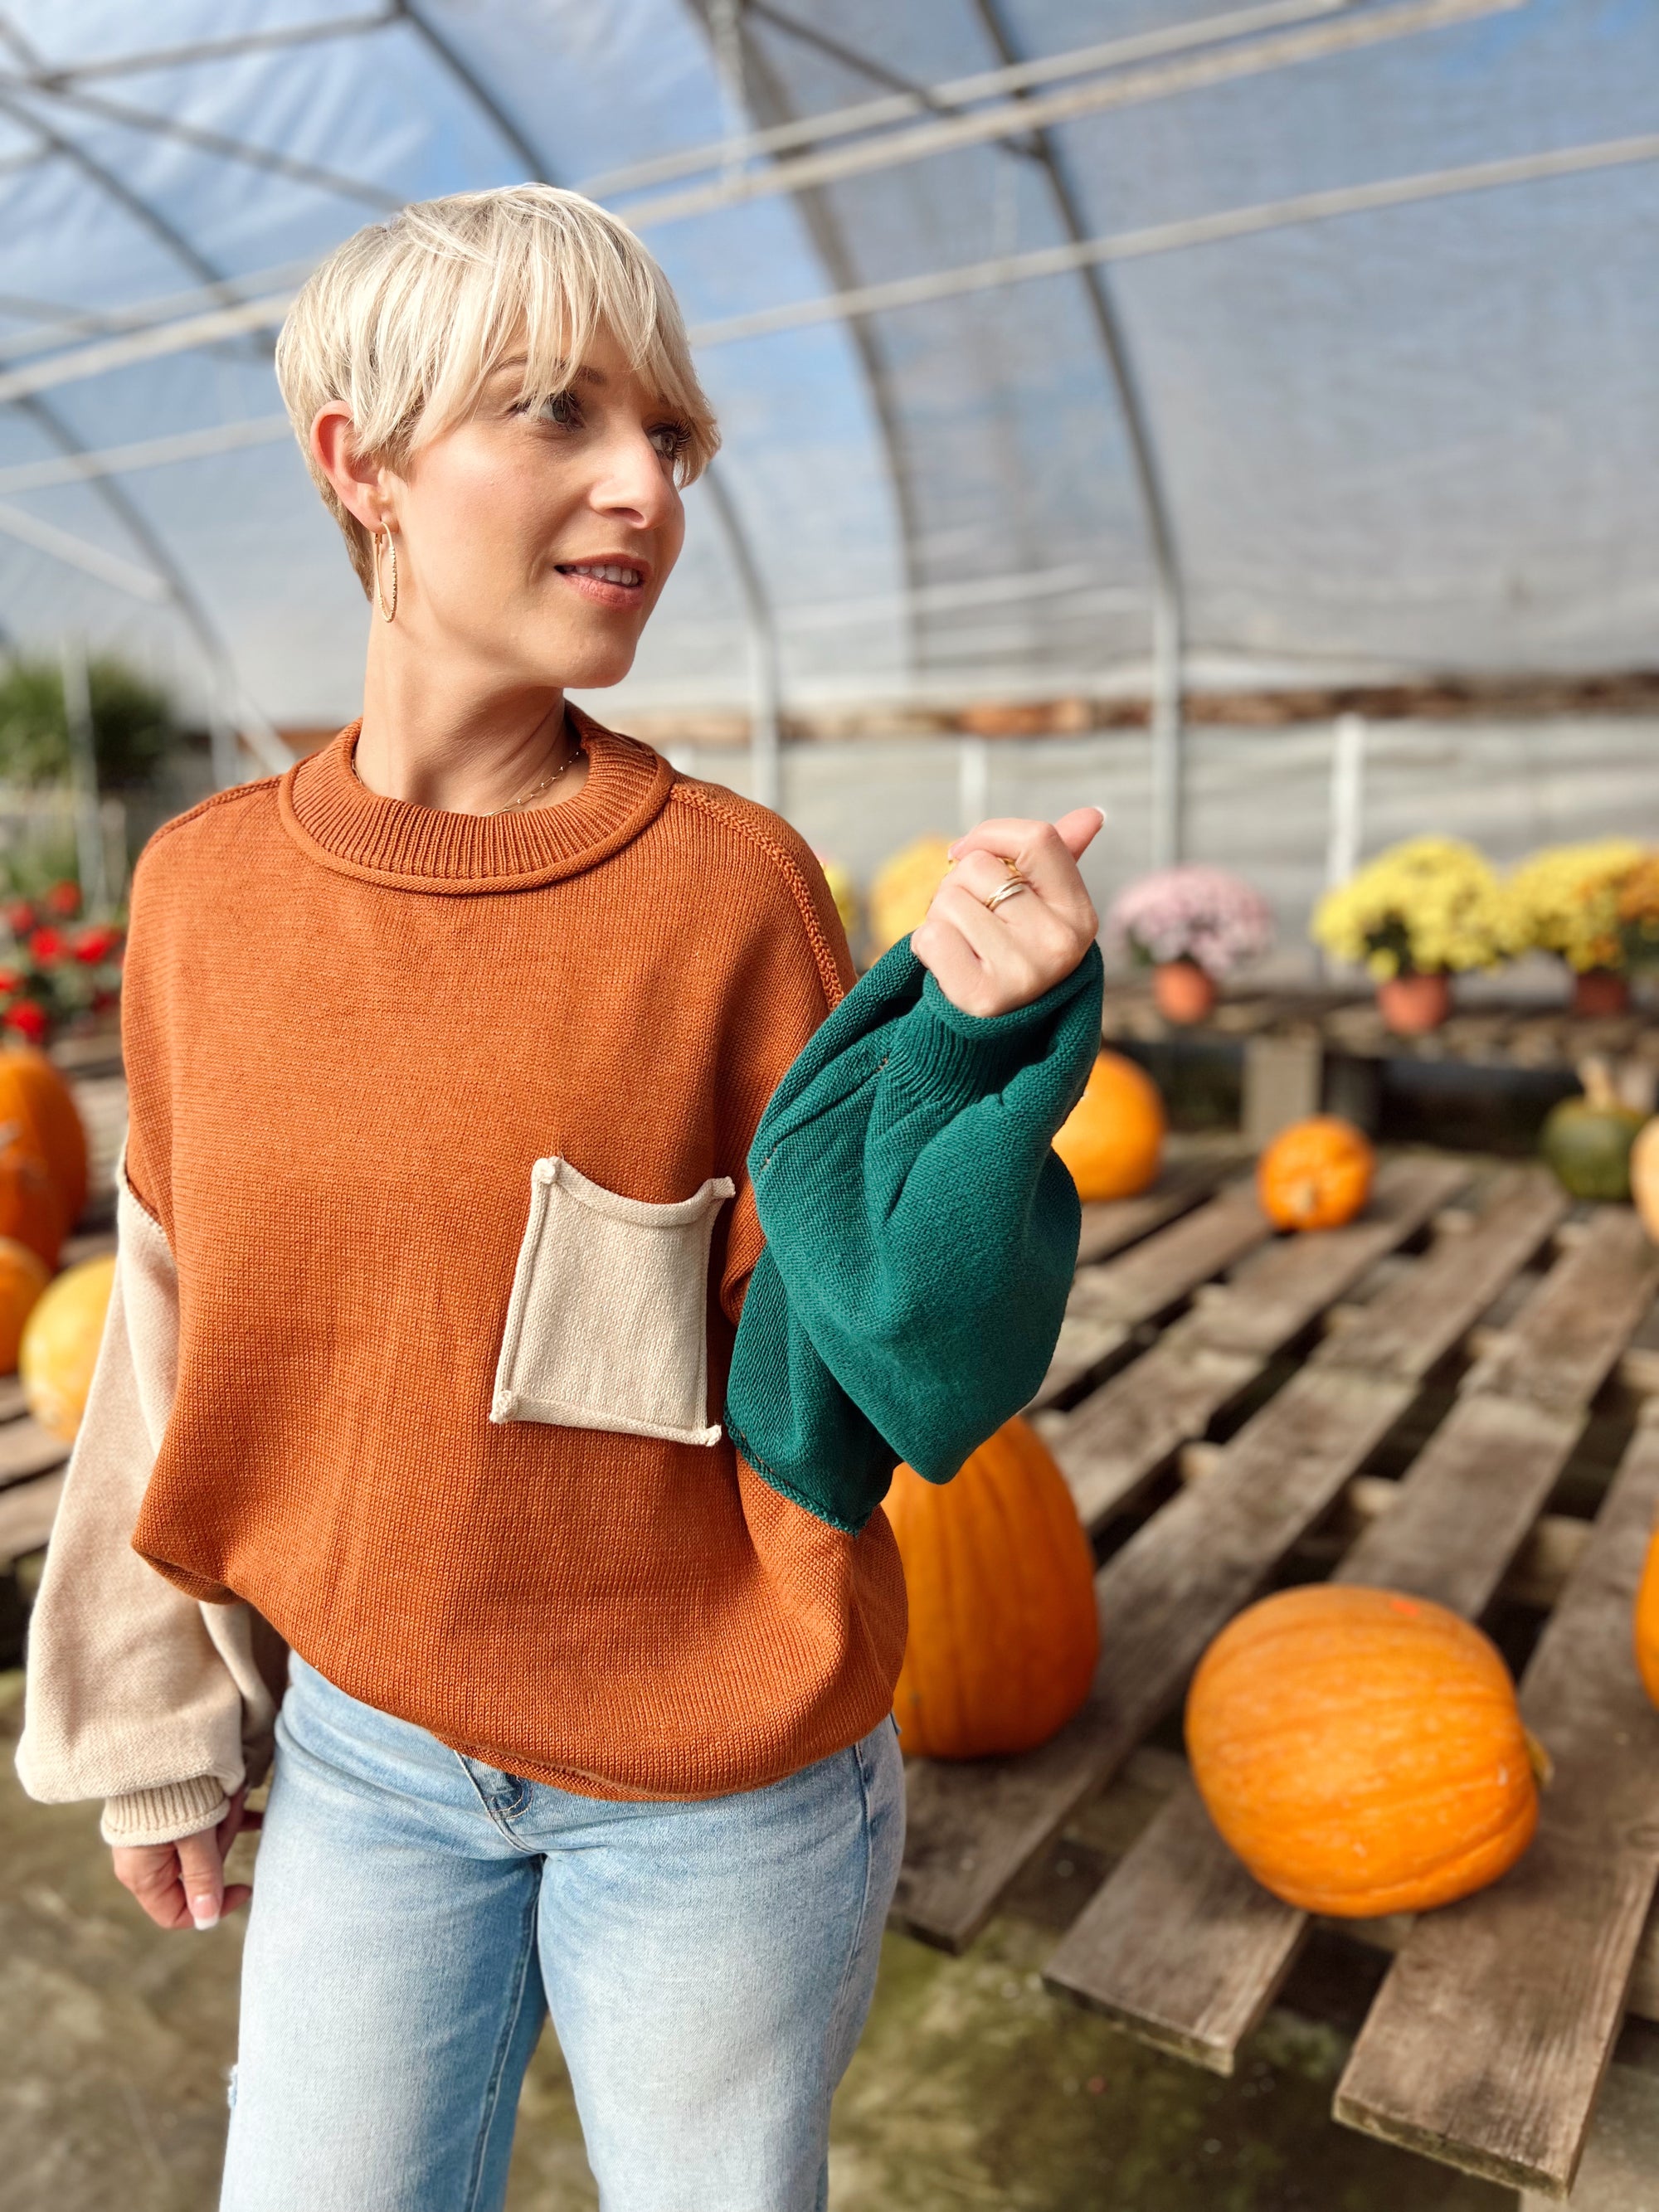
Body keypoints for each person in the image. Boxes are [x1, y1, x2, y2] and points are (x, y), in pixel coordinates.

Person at [16, 184, 1105, 2212]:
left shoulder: (731, 891)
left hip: (719, 1790)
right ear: (361, 462)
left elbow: (880, 1392)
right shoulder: (201, 895)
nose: (642, 490)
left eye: (669, 438)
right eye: (555, 413)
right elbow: (167, 1324)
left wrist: (967, 1071)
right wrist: (155, 1715)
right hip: (370, 1754)